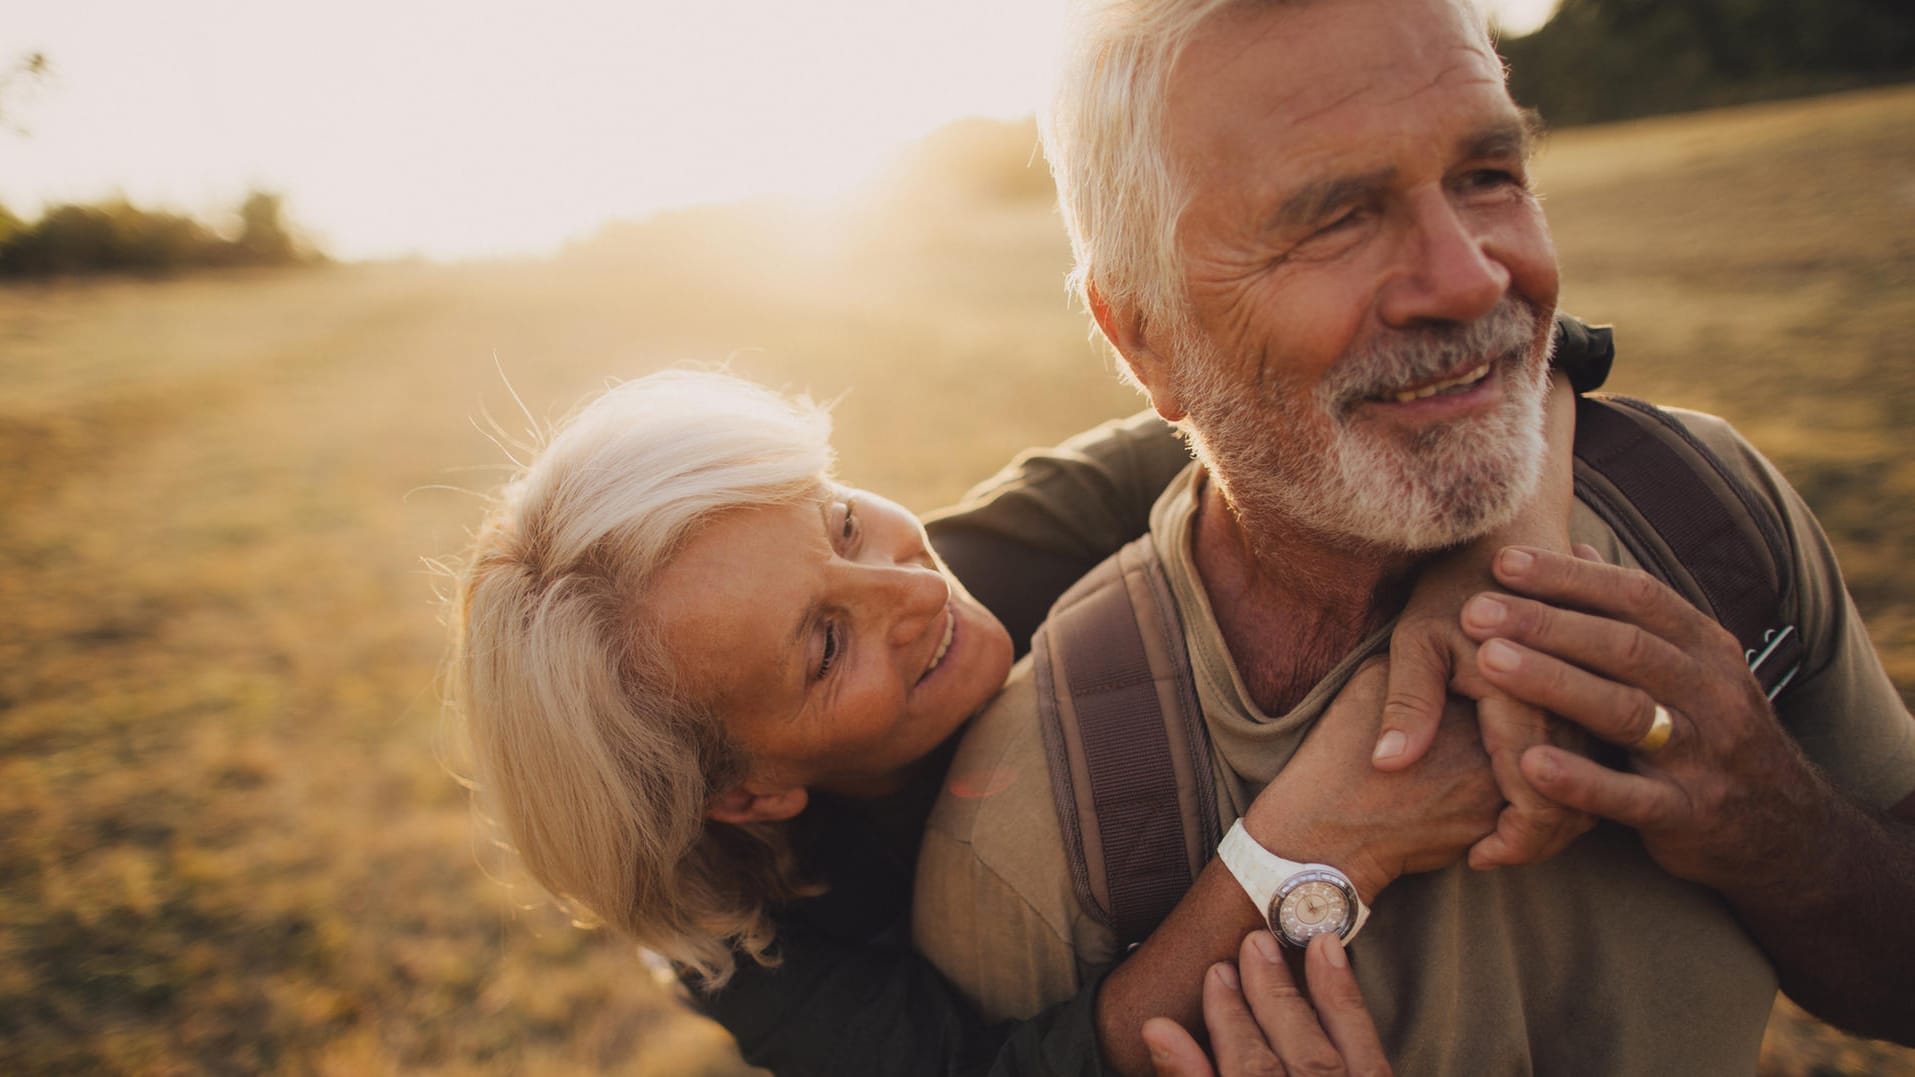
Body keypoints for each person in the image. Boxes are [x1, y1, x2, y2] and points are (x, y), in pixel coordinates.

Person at [911, 0, 1915, 1072]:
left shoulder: (1706, 513)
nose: (1472, 277)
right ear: (1144, 337)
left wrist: (1783, 831)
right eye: (1331, 218)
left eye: (1487, 174)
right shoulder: (1034, 828)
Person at [446, 347, 1598, 1074]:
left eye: (841, 521)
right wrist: (1309, 848)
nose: (911, 585)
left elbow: (1466, 352)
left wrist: (1499, 567)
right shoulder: (744, 947)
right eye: (824, 645)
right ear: (747, 791)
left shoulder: (1000, 544)